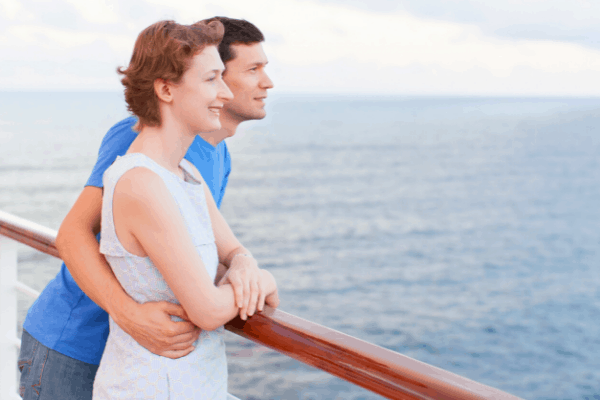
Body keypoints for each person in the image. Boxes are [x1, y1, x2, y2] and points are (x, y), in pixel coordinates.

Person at [18, 16, 276, 400]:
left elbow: (201, 250)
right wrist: (128, 314)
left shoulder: (197, 163)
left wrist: (243, 264)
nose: (266, 81)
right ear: (168, 88)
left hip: (151, 354)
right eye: (252, 69)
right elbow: (73, 233)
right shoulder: (138, 141)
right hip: (79, 343)